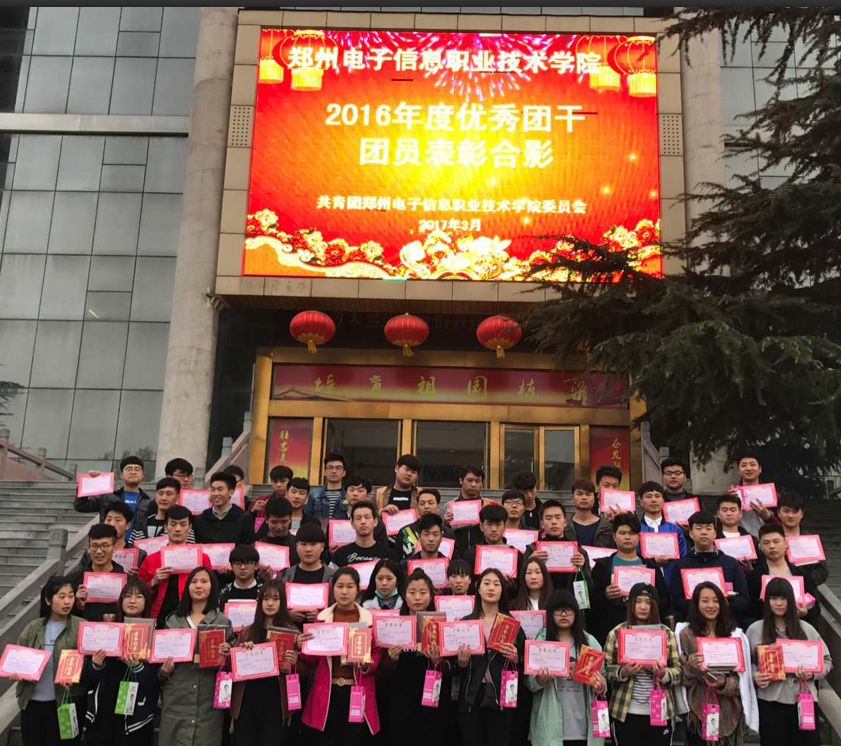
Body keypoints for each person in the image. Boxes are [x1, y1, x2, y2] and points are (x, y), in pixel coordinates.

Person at [300, 567, 383, 745]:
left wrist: (366, 664)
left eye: (350, 586)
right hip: (327, 691)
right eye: (340, 586)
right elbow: (312, 659)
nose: (344, 591)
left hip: (356, 689)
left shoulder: (368, 619)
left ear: (358, 589)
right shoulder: (322, 619)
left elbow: (377, 651)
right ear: (333, 589)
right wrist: (303, 646)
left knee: (353, 739)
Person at [746, 577, 832, 746]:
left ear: (791, 601)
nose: (778, 603)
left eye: (783, 598)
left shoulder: (807, 629)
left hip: (804, 700)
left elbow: (827, 661)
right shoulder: (755, 630)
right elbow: (746, 664)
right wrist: (755, 676)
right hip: (770, 701)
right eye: (773, 598)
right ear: (766, 601)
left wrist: (811, 674)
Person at [158, 567, 235, 746]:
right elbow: (159, 665)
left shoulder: (222, 622)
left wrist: (228, 653)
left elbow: (232, 666)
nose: (198, 586)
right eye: (194, 582)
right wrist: (163, 671)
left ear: (212, 587)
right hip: (177, 698)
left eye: (204, 581)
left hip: (209, 702)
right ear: (187, 587)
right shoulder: (173, 621)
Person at [677, 582, 758, 746]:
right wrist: (691, 667)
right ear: (696, 604)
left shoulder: (735, 635)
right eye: (705, 601)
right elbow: (681, 680)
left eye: (715, 601)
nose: (711, 605)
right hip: (697, 708)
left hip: (731, 707)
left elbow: (744, 680)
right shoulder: (685, 635)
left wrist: (725, 683)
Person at [453, 568, 526, 746]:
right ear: (478, 588)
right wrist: (461, 663)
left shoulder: (511, 624)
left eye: (496, 584)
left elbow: (525, 662)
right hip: (472, 696)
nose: (491, 588)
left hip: (501, 696)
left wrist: (516, 658)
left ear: (502, 590)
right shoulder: (466, 623)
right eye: (486, 583)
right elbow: (454, 669)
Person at [84, 579, 160, 746]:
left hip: (136, 713)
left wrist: (137, 667)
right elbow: (90, 675)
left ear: (147, 601)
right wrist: (97, 665)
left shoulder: (155, 633)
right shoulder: (108, 628)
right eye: (127, 596)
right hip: (105, 704)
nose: (132, 601)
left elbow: (155, 679)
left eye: (138, 597)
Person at [380, 570, 452, 746]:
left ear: (431, 595)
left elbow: (451, 668)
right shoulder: (393, 625)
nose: (417, 597)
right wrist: (392, 659)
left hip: (433, 694)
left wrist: (437, 661)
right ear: (404, 595)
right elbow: (381, 670)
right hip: (400, 695)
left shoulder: (441, 625)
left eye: (423, 592)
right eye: (412, 592)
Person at [605, 583, 682, 746]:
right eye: (638, 601)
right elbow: (606, 670)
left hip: (659, 709)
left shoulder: (666, 633)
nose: (643, 607)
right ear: (631, 604)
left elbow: (678, 672)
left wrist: (664, 674)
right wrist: (623, 671)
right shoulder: (616, 633)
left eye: (648, 602)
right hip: (625, 710)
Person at [527, 590, 607, 746]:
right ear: (550, 613)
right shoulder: (541, 641)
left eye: (568, 610)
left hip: (584, 728)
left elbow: (603, 678)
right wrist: (540, 680)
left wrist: (599, 684)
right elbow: (530, 682)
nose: (563, 614)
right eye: (558, 610)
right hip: (550, 728)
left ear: (576, 613)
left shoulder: (590, 642)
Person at [15, 575, 85, 746]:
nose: (67, 601)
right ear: (48, 600)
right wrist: (16, 671)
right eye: (61, 596)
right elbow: (18, 658)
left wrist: (77, 674)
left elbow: (89, 664)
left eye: (71, 596)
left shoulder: (81, 627)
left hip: (65, 703)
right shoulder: (33, 628)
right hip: (31, 704)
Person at [231, 579, 300, 746]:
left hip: (276, 700)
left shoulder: (292, 632)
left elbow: (305, 670)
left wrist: (295, 661)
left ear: (282, 602)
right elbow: (231, 665)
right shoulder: (247, 631)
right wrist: (242, 651)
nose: (270, 603)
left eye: (275, 599)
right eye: (266, 599)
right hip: (247, 699)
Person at [591, 513, 669, 644]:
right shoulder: (602, 567)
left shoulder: (651, 567)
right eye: (622, 533)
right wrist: (605, 595)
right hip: (611, 630)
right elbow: (591, 601)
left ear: (639, 537)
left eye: (632, 533)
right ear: (614, 536)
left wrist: (650, 600)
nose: (627, 537)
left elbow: (665, 599)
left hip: (646, 632)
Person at [668, 512, 751, 624]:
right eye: (698, 528)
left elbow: (744, 600)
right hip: (693, 624)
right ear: (691, 533)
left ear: (715, 533)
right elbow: (677, 601)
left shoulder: (730, 563)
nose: (704, 532)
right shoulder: (681, 565)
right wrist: (701, 605)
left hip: (726, 624)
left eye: (708, 528)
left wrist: (721, 603)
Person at [137, 505, 213, 625]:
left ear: (190, 527)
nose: (178, 529)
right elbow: (137, 594)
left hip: (191, 619)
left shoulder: (202, 558)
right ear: (165, 527)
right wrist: (153, 582)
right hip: (158, 619)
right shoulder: (151, 560)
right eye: (173, 524)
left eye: (183, 524)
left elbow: (211, 590)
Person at [746, 524, 820, 625]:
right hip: (766, 629)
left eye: (776, 541)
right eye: (766, 543)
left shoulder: (802, 575)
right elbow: (749, 610)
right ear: (761, 547)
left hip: (796, 628)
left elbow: (815, 609)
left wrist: (805, 613)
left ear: (786, 544)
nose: (772, 546)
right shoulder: (754, 577)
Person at [527, 499, 591, 593]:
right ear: (542, 524)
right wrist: (529, 562)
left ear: (565, 522)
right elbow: (521, 585)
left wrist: (581, 568)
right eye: (548, 518)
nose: (554, 522)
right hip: (542, 599)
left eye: (558, 517)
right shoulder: (533, 549)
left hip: (570, 600)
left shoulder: (579, 551)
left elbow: (590, 588)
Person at [279, 524, 336, 626]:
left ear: (322, 547)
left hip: (322, 632)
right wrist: (287, 615)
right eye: (303, 544)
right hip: (290, 631)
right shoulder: (284, 575)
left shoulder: (333, 577)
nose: (308, 549)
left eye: (313, 544)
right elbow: (274, 605)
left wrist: (322, 616)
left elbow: (340, 608)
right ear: (296, 546)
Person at [74, 456, 151, 529]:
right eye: (129, 469)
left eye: (137, 469)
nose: (133, 472)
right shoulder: (107, 497)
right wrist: (86, 483)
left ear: (142, 475)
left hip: (139, 539)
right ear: (121, 475)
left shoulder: (150, 501)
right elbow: (80, 506)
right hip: (109, 538)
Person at [69, 524, 125, 622]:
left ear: (115, 547)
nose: (99, 551)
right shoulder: (73, 580)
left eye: (105, 546)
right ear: (88, 548)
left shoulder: (126, 581)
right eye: (94, 546)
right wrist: (76, 604)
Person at [638, 481, 687, 587]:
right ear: (641, 501)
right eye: (648, 496)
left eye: (657, 496)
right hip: (644, 583)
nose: (653, 500)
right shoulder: (636, 529)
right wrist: (652, 561)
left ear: (663, 500)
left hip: (672, 581)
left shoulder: (675, 529)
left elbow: (683, 558)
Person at [461, 504, 521, 586]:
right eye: (489, 524)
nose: (494, 529)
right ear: (481, 526)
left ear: (505, 526)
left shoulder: (516, 556)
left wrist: (512, 587)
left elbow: (521, 587)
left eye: (498, 525)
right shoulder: (471, 554)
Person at [777, 493, 829, 586]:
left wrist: (802, 582)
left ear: (802, 514)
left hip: (806, 591)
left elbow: (823, 571)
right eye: (786, 511)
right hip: (778, 590)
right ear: (778, 513)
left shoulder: (811, 540)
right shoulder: (771, 538)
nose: (790, 515)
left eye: (795, 511)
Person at [194, 471, 255, 546]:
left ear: (231, 492)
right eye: (213, 489)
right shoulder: (201, 519)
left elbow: (249, 547)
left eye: (220, 489)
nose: (216, 493)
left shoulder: (244, 518)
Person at [129, 477, 196, 544]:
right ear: (156, 496)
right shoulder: (142, 523)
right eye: (160, 493)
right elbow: (131, 547)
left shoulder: (183, 525)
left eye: (169, 494)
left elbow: (189, 548)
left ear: (178, 497)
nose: (164, 498)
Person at [327, 475, 389, 548]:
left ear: (368, 495)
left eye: (360, 491)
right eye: (351, 490)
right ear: (345, 494)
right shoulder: (335, 523)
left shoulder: (377, 524)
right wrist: (331, 552)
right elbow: (325, 550)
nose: (355, 494)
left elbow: (384, 550)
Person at [330, 501, 395, 566]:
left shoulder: (388, 554)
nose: (363, 522)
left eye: (367, 517)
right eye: (358, 518)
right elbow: (331, 572)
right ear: (352, 524)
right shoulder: (340, 553)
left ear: (375, 522)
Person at [730, 451, 777, 538]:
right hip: (739, 541)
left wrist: (768, 517)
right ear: (738, 470)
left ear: (760, 469)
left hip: (767, 541)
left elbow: (782, 524)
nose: (748, 468)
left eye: (752, 465)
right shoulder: (731, 495)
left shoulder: (772, 495)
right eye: (744, 465)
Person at [397, 488, 454, 558]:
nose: (426, 507)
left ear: (438, 507)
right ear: (417, 507)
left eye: (430, 503)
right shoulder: (405, 531)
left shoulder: (448, 533)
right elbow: (397, 560)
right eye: (422, 503)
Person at [444, 464, 486, 557]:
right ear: (461, 481)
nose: (473, 484)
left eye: (477, 481)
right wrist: (445, 523)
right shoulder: (447, 507)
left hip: (481, 555)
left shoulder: (487, 505)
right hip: (456, 556)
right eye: (470, 480)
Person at [716, 493, 760, 573]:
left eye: (733, 510)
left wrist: (751, 571)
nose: (729, 514)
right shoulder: (712, 539)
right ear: (718, 514)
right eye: (724, 510)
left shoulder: (753, 541)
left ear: (740, 513)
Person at [564, 479, 614, 549]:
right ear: (572, 498)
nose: (584, 497)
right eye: (579, 494)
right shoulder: (564, 526)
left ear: (594, 498)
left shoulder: (607, 527)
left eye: (588, 494)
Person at [255, 497, 300, 565]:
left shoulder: (298, 546)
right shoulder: (256, 547)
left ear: (290, 519)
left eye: (284, 522)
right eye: (274, 522)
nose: (279, 527)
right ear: (266, 519)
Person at [219, 544, 263, 608]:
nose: (242, 567)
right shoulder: (224, 592)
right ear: (231, 566)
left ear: (256, 565)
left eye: (247, 563)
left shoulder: (264, 591)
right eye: (238, 563)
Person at [305, 453, 348, 519]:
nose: (334, 471)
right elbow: (307, 518)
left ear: (344, 473)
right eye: (330, 468)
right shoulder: (314, 494)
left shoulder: (348, 495)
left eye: (338, 468)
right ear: (325, 472)